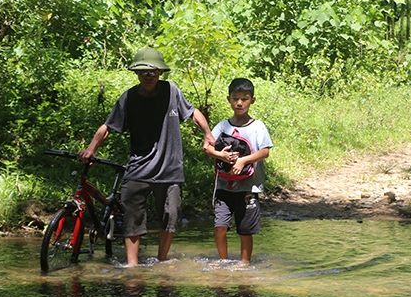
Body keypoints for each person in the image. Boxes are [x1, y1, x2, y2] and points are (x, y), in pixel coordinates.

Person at [77, 48, 215, 266]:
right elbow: (108, 127)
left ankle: (162, 261)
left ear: (160, 72)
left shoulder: (172, 91)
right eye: (143, 72)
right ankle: (132, 266)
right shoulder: (129, 98)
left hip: (170, 169)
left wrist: (208, 134)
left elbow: (193, 113)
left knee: (170, 216)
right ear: (136, 74)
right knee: (132, 217)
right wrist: (91, 149)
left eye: (152, 72)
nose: (148, 76)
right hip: (138, 168)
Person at [204, 78, 272, 264]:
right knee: (220, 227)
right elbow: (207, 147)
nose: (239, 103)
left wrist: (243, 160)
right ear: (229, 99)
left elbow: (265, 152)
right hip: (223, 186)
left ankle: (244, 265)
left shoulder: (258, 127)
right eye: (235, 98)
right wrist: (221, 155)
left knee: (245, 230)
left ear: (252, 100)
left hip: (248, 188)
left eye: (244, 98)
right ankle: (223, 262)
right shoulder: (222, 126)